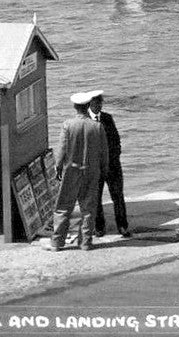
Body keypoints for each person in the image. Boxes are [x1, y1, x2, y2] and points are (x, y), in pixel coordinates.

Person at [48, 91, 109, 251]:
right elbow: (104, 153)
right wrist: (103, 170)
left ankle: (57, 242)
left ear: (75, 107)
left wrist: (58, 167)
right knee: (88, 209)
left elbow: (62, 149)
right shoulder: (97, 126)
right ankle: (86, 242)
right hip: (91, 171)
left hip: (72, 170)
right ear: (88, 106)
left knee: (63, 207)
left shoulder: (68, 125)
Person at [89, 91, 130, 238]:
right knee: (96, 198)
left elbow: (116, 139)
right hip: (95, 167)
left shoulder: (107, 118)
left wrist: (115, 157)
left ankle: (122, 226)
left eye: (100, 104)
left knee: (118, 196)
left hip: (112, 165)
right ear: (90, 105)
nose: (99, 107)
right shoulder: (85, 120)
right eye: (96, 104)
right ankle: (99, 227)